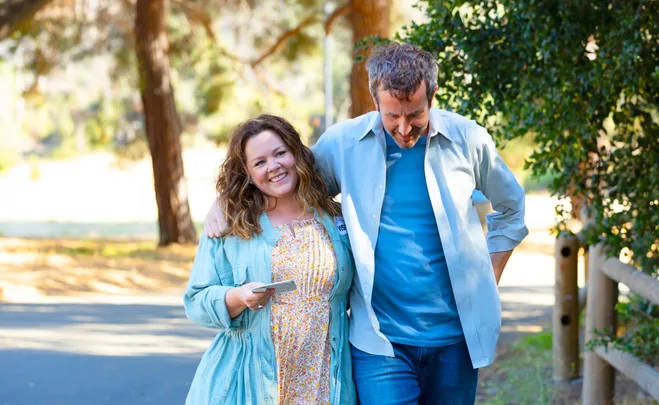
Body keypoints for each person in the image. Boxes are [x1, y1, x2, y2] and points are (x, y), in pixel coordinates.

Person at [205, 42, 528, 405]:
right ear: (375, 100)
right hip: (378, 341)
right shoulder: (344, 143)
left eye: (415, 114)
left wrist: (489, 274)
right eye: (392, 116)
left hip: (457, 338)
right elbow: (285, 182)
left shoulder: (468, 140)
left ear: (433, 95)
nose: (404, 128)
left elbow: (512, 208)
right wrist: (224, 201)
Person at [184, 114, 356, 405]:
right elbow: (196, 302)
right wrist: (237, 297)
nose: (273, 166)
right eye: (259, 162)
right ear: (247, 173)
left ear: (297, 153)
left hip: (326, 378)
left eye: (280, 153)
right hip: (251, 382)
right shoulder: (231, 224)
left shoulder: (335, 217)